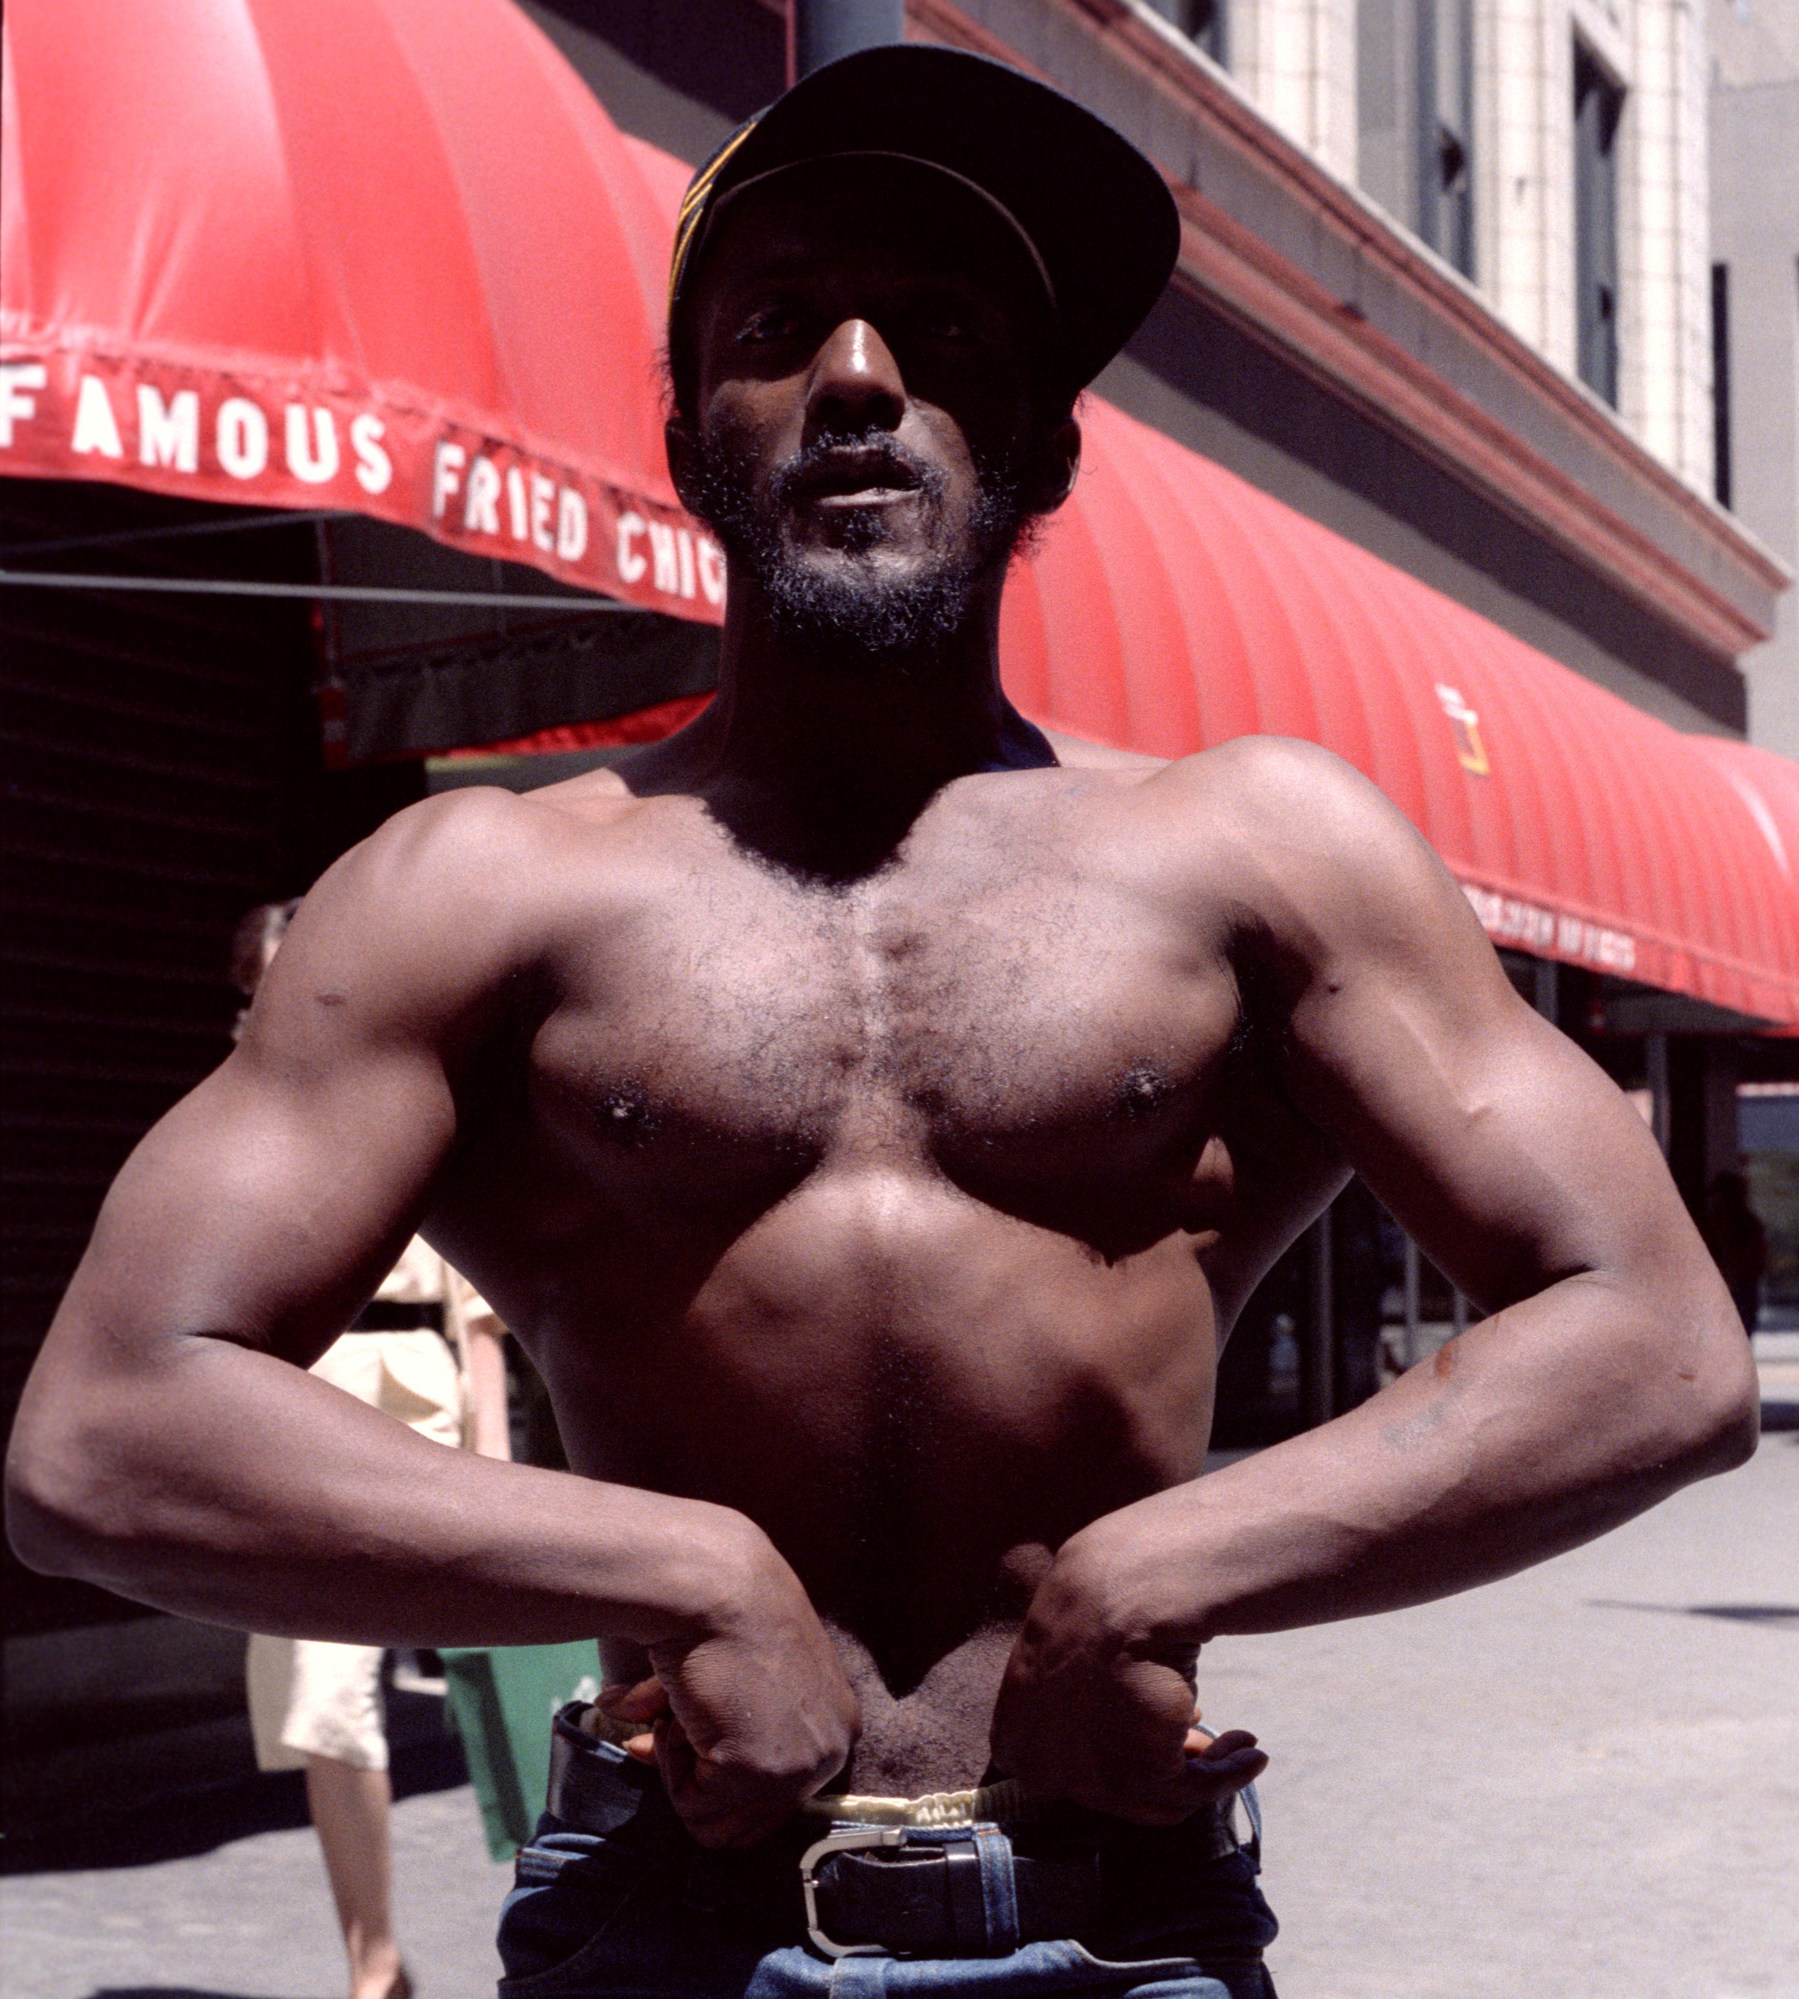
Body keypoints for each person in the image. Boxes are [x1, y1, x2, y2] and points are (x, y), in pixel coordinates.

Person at [6, 46, 1758, 1999]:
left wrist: (1149, 1572)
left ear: (1039, 443)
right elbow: (102, 1435)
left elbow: (1655, 1347)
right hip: (663, 1924)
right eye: (777, 326)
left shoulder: (1257, 855)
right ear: (687, 440)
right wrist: (667, 1566)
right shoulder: (481, 893)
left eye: (934, 329)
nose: (856, 376)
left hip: (1116, 1922)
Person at [236, 906, 514, 1999]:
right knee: (324, 1691)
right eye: (259, 987)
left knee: (507, 1684)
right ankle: (374, 1957)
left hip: (418, 1398)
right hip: (289, 1409)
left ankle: (554, 1923)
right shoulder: (232, 1127)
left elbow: (476, 1318)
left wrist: (497, 1467)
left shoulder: (405, 1090)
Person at [1701, 1168, 1768, 1336]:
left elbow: (1757, 1259)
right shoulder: (1710, 1223)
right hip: (1717, 1288)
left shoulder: (1748, 1225)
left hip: (1742, 1288)